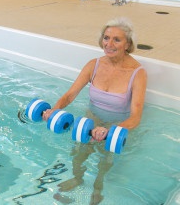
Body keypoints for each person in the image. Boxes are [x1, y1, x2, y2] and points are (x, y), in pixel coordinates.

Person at [43, 17, 147, 204]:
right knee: (79, 152)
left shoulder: (137, 73)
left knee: (105, 160)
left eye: (117, 39)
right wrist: (53, 111)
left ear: (128, 44)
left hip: (117, 126)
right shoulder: (94, 64)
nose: (109, 44)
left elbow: (136, 117)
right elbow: (69, 95)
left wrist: (111, 130)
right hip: (91, 120)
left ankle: (98, 187)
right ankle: (77, 178)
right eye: (106, 38)